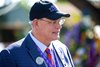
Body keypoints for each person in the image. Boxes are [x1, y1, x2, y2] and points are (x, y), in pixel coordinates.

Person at [0, 0, 74, 67]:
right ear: (36, 23)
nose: (59, 26)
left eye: (60, 21)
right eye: (53, 22)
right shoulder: (11, 55)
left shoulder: (63, 49)